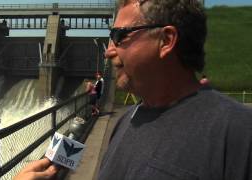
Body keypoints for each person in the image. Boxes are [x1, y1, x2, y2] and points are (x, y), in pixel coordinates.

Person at [99, 0, 252, 180]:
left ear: (166, 40)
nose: (109, 51)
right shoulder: (126, 121)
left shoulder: (239, 132)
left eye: (119, 36)